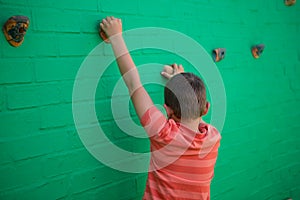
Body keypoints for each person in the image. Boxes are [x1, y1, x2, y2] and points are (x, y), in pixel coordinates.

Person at [100, 16, 221, 200]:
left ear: (167, 110)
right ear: (206, 108)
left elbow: (134, 83)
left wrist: (116, 36)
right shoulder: (213, 137)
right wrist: (181, 84)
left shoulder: (163, 133)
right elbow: (196, 112)